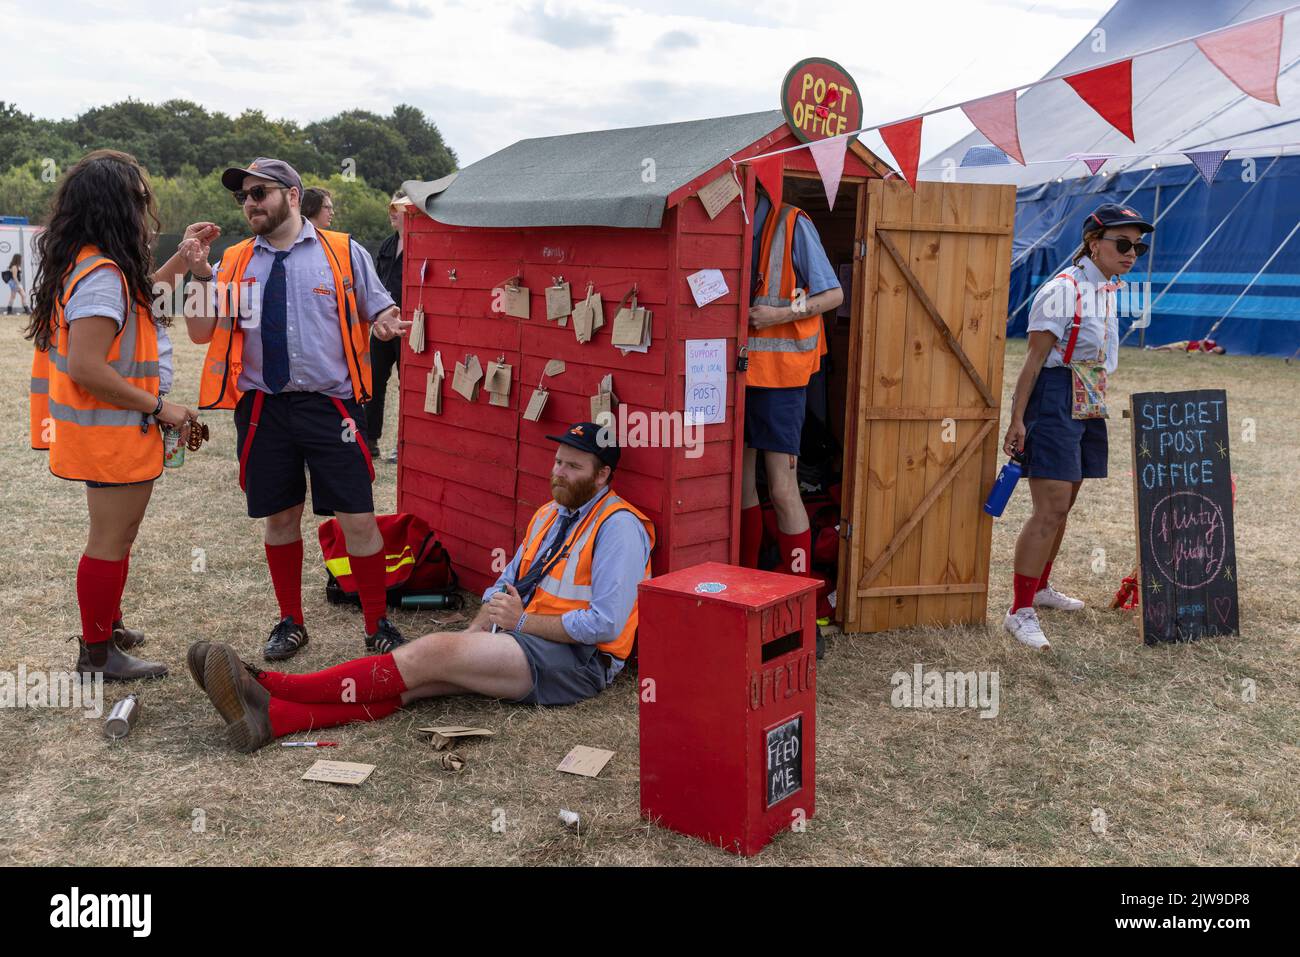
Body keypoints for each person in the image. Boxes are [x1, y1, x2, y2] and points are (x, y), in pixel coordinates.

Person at [186, 422, 655, 752]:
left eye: (573, 467)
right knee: (417, 684)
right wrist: (475, 632)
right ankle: (275, 720)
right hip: (522, 638)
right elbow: (505, 585)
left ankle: (264, 682)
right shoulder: (550, 513)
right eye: (557, 462)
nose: (558, 473)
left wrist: (522, 622)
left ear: (602, 475)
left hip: (579, 661)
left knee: (428, 655)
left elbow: (606, 624)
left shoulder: (620, 527)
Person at [184, 157, 411, 662]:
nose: (249, 203)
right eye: (243, 195)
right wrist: (200, 276)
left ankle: (378, 623)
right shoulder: (237, 259)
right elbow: (201, 332)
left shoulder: (342, 250)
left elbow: (379, 308)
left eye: (259, 192)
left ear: (291, 195)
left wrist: (384, 323)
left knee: (357, 518)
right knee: (280, 518)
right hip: (265, 409)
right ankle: (291, 621)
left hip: (333, 408)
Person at [25, 148, 218, 679]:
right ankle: (97, 653)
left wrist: (184, 257)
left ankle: (105, 625)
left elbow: (143, 301)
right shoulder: (102, 274)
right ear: (115, 208)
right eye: (137, 201)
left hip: (113, 430)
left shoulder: (95, 265)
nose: (143, 213)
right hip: (113, 430)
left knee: (120, 534)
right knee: (110, 538)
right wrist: (163, 407)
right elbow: (88, 367)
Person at [1002, 203, 1154, 650]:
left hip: (1088, 394)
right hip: (1054, 396)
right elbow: (1032, 362)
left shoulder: (1107, 287)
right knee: (1048, 508)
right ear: (1093, 244)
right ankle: (1019, 610)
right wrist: (1016, 420)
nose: (1131, 253)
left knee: (1065, 503)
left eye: (1137, 247)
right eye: (1122, 244)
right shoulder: (1062, 290)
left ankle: (1041, 588)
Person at [738, 184, 842, 582]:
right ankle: (743, 581)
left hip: (783, 377)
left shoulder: (793, 222)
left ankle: (798, 591)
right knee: (742, 485)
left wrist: (778, 316)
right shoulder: (732, 220)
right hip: (740, 374)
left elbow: (833, 294)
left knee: (782, 487)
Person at [365, 191, 411, 463]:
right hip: (382, 327)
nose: (392, 212)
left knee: (409, 386)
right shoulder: (386, 245)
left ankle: (403, 445)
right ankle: (370, 441)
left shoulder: (424, 245)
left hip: (409, 326)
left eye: (398, 207)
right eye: (390, 207)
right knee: (373, 382)